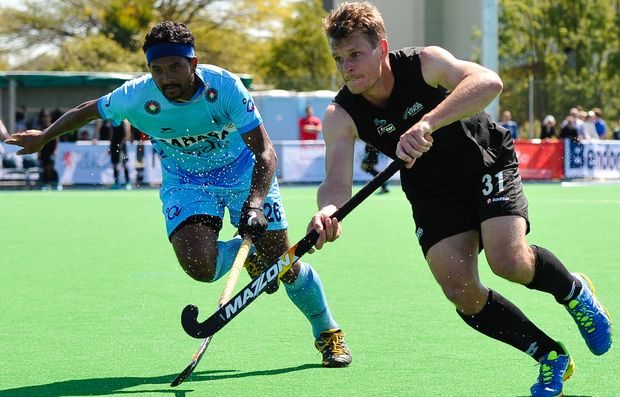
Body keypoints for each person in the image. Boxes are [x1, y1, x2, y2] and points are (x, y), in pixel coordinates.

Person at [6, 21, 351, 368]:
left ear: (194, 63)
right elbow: (89, 109)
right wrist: (45, 136)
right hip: (188, 181)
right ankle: (249, 257)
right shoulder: (138, 95)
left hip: (244, 173)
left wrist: (255, 204)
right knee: (200, 266)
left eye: (175, 68)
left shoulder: (225, 87)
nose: (166, 78)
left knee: (282, 266)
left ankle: (328, 333)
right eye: (157, 70)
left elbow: (265, 151)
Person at [309, 3, 611, 396]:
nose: (347, 68)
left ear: (381, 48)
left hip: (484, 162)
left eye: (355, 55)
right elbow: (335, 182)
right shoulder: (340, 114)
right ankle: (549, 355)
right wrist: (329, 211)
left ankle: (573, 291)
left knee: (507, 260)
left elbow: (489, 82)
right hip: (431, 190)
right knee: (460, 291)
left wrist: (428, 121)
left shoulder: (424, 62)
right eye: (339, 59)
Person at [94, 118, 132, 189]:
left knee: (124, 164)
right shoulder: (113, 121)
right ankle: (116, 183)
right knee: (115, 164)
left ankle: (127, 182)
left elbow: (127, 135)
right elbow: (111, 135)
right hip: (114, 146)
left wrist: (121, 145)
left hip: (122, 146)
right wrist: (110, 146)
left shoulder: (125, 121)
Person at [37, 110, 61, 191]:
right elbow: (38, 141)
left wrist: (55, 150)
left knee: (51, 168)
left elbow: (56, 139)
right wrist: (39, 152)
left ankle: (56, 184)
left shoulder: (53, 126)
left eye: (47, 117)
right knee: (45, 169)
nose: (45, 119)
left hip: (51, 151)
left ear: (50, 118)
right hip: (44, 151)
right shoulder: (40, 128)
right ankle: (45, 184)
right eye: (44, 117)